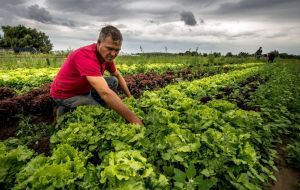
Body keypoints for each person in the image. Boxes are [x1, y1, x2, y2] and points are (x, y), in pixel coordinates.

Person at [50, 25, 143, 125]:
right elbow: (105, 93)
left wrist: (130, 97)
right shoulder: (86, 56)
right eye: (109, 48)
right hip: (66, 94)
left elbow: (118, 75)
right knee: (99, 113)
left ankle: (89, 101)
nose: (113, 54)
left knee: (113, 81)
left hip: (84, 88)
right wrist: (134, 119)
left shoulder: (106, 57)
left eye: (117, 50)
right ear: (99, 43)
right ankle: (63, 110)